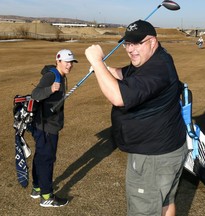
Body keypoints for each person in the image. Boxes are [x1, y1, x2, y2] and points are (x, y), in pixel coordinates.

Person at [85, 20, 188, 216]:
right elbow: (124, 74)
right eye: (127, 44)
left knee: (145, 210)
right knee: (165, 202)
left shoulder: (157, 68)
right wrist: (103, 69)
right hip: (165, 150)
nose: (130, 49)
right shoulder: (152, 59)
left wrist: (97, 62)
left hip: (153, 157)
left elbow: (118, 97)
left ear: (152, 41)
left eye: (137, 43)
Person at [30, 49, 78, 207]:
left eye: (71, 62)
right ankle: (46, 196)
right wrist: (50, 89)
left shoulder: (60, 76)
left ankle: (37, 188)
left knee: (41, 157)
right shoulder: (52, 76)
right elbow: (35, 94)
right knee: (47, 160)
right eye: (67, 62)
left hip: (45, 124)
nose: (70, 65)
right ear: (58, 61)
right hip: (46, 126)